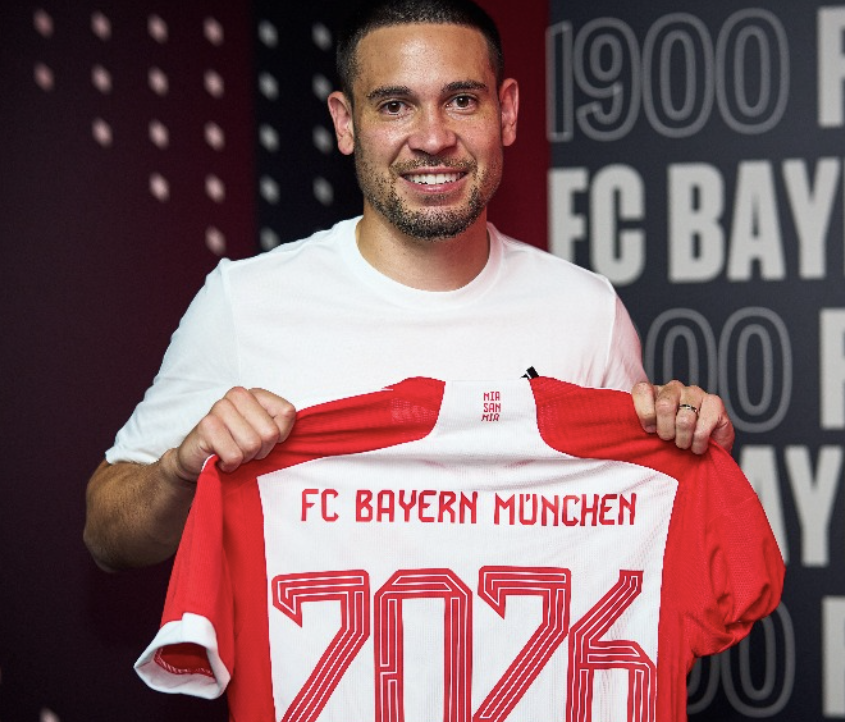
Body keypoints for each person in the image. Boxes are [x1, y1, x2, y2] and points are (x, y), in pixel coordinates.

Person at [84, 0, 733, 573]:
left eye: (462, 100)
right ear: (345, 123)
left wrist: (689, 449)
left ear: (507, 112)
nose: (433, 138)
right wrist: (180, 469)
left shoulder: (586, 309)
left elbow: (645, 536)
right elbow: (107, 538)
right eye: (395, 105)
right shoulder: (246, 301)